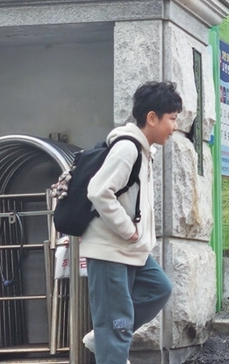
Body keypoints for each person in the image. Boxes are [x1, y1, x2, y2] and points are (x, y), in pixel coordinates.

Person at [80, 81, 183, 364]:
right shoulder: (127, 148)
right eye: (172, 119)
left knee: (158, 288)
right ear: (152, 118)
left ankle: (102, 337)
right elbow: (99, 191)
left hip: (131, 250)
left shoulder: (144, 150)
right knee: (117, 325)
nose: (174, 127)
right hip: (111, 250)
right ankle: (107, 339)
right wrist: (128, 230)